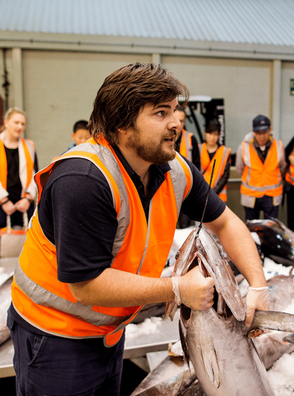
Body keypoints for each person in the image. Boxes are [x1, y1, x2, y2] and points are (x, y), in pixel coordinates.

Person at [7, 63, 270, 396]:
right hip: (54, 337)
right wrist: (177, 288)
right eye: (160, 112)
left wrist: (258, 285)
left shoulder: (174, 170)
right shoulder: (83, 181)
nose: (177, 122)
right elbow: (86, 286)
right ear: (122, 125)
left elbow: (227, 222)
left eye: (176, 110)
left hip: (109, 332)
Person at [236, 114, 286, 221]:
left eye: (265, 132)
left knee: (271, 227)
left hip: (272, 195)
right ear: (253, 131)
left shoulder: (278, 145)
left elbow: (282, 167)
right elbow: (239, 168)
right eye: (258, 133)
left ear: (270, 130)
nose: (262, 136)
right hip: (251, 195)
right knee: (252, 227)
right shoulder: (244, 146)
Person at [0, 107, 37, 229]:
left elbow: (34, 174)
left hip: (23, 204)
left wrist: (28, 198)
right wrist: (3, 200)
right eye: (16, 122)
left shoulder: (29, 145)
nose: (19, 126)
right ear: (6, 122)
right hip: (1, 205)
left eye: (22, 124)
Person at [174, 108, 201, 228]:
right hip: (168, 190)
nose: (179, 124)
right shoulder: (162, 138)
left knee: (185, 226)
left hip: (186, 190)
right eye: (177, 120)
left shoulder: (191, 139)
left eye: (182, 121)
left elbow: (197, 164)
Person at [199, 119, 231, 202]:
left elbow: (225, 176)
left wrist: (213, 193)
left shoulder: (225, 152)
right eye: (209, 133)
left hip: (218, 197)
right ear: (205, 133)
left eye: (215, 134)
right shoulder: (198, 149)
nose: (212, 137)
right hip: (200, 194)